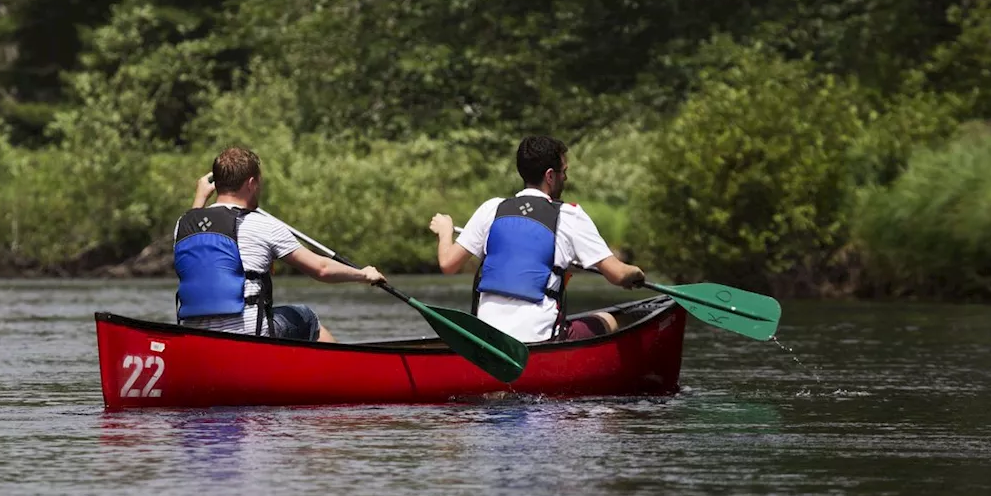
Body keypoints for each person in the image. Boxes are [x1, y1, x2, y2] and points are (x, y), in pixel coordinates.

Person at [429, 135, 645, 344]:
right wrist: (636, 274)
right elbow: (618, 274)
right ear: (550, 175)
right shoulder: (570, 215)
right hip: (540, 340)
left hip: (488, 341)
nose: (566, 178)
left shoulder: (492, 208)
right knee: (609, 320)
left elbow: (448, 264)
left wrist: (445, 231)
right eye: (564, 172)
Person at [173, 146, 384, 342]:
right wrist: (364, 275)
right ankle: (341, 373)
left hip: (194, 333)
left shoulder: (183, 226)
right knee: (306, 317)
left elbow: (195, 227)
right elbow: (321, 269)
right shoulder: (263, 225)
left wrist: (200, 196)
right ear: (251, 183)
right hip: (248, 333)